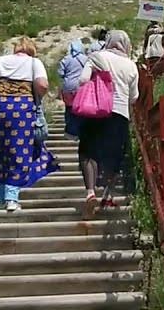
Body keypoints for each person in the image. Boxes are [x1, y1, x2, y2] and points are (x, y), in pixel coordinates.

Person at [0, 37, 58, 212]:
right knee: (19, 152)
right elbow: (42, 84)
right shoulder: (34, 63)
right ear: (31, 50)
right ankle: (11, 199)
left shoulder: (0, 61)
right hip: (21, 109)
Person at [78, 30, 140, 217]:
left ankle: (90, 192)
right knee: (113, 157)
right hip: (119, 115)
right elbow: (134, 97)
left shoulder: (96, 57)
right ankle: (108, 195)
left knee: (88, 152)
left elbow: (82, 80)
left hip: (96, 110)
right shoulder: (131, 65)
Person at [57, 39, 91, 139]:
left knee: (69, 109)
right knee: (81, 109)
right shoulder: (86, 59)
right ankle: (81, 131)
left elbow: (61, 74)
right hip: (81, 87)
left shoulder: (65, 59)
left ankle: (70, 132)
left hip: (68, 87)